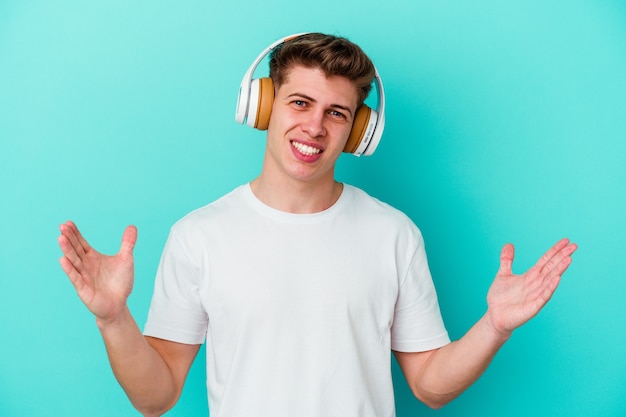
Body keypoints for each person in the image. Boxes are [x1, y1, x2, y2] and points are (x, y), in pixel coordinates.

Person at [57, 33, 577, 417]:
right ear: (262, 105)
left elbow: (430, 388)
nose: (314, 126)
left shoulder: (394, 234)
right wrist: (112, 319)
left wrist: (495, 327)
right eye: (300, 102)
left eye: (336, 113)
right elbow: (157, 396)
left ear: (357, 131)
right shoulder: (199, 235)